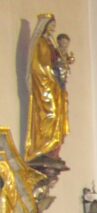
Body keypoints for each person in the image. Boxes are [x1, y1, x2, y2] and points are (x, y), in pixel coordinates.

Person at [25, 13, 69, 162]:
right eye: (50, 25)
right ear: (44, 26)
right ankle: (43, 148)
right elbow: (38, 66)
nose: (52, 29)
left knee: (57, 114)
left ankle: (52, 149)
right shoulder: (40, 43)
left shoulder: (51, 44)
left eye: (54, 26)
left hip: (54, 85)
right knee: (48, 114)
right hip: (45, 85)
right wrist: (52, 71)